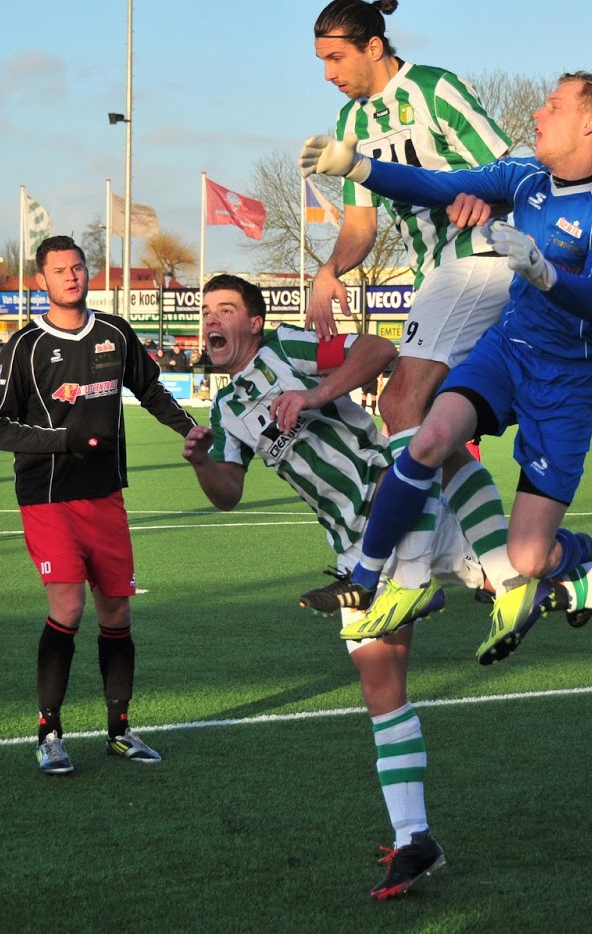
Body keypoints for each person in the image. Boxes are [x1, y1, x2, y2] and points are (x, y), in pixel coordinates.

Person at [300, 72, 592, 663]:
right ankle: (368, 573)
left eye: (553, 106)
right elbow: (437, 183)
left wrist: (544, 272)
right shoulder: (525, 176)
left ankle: (581, 556)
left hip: (567, 383)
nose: (537, 114)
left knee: (531, 558)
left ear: (589, 123)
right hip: (507, 352)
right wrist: (356, 167)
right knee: (428, 433)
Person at [186, 273, 489, 898]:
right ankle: (415, 839)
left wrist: (316, 393)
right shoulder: (224, 410)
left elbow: (380, 350)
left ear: (252, 323)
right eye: (205, 311)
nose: (211, 320)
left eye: (225, 310)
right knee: (383, 685)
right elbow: (229, 495)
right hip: (353, 542)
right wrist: (199, 464)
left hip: (398, 494)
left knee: (522, 574)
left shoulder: (287, 350)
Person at [302, 0, 519, 595]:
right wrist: (330, 270)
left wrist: (483, 202)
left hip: (482, 260)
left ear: (374, 47)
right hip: (440, 276)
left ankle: (407, 579)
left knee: (399, 405)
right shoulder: (350, 126)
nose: (328, 74)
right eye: (321, 61)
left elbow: (511, 180)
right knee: (434, 428)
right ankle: (508, 570)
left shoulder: (436, 90)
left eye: (336, 58)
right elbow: (361, 228)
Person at [0, 236, 198, 775]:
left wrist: (194, 430)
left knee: (117, 611)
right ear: (42, 281)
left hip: (105, 495)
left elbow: (151, 390)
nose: (71, 277)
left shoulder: (114, 333)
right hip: (49, 497)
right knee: (68, 609)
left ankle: (120, 732)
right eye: (59, 271)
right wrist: (64, 440)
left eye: (78, 268)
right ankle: (49, 733)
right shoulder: (25, 346)